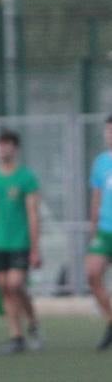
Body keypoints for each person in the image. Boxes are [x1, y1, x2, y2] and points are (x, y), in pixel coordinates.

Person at [0, 129, 42, 354]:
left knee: (15, 284)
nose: (2, 149)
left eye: (7, 144)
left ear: (15, 148)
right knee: (4, 287)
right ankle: (16, 336)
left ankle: (32, 321)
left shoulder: (26, 178)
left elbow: (33, 213)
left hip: (19, 242)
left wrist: (35, 248)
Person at [87, 114, 112, 351]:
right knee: (92, 274)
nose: (110, 135)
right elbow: (96, 197)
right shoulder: (101, 162)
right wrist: (92, 227)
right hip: (105, 231)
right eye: (108, 131)